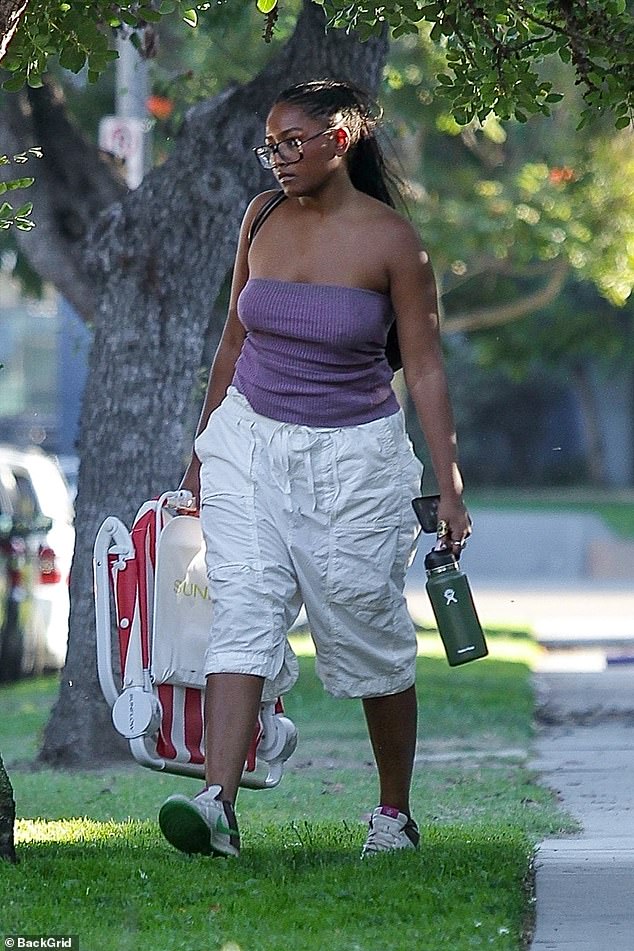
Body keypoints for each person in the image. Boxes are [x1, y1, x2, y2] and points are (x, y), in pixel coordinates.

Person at [158, 78, 471, 860]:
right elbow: (233, 343)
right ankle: (217, 803)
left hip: (354, 460)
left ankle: (393, 813)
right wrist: (202, 454)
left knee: (367, 626)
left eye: (293, 142)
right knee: (243, 613)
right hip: (250, 444)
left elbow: (425, 369)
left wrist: (451, 480)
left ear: (343, 139)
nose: (279, 159)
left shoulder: (393, 241)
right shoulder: (260, 218)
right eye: (271, 144)